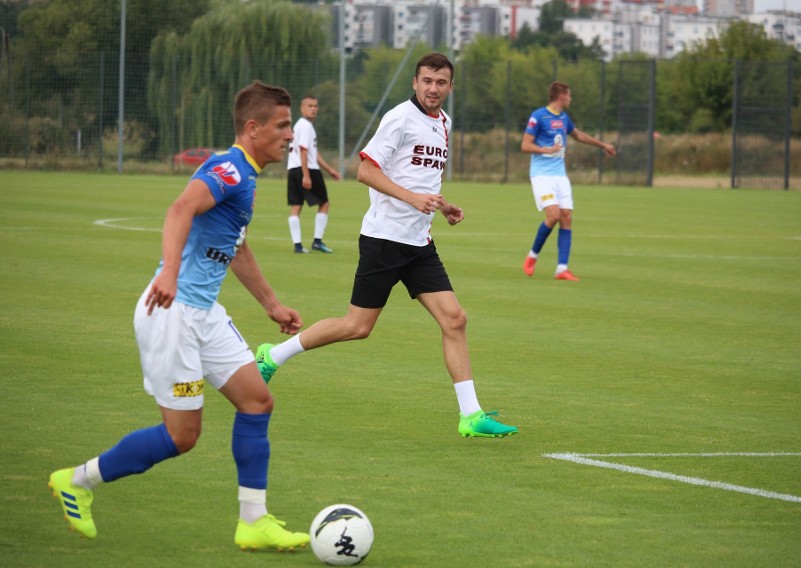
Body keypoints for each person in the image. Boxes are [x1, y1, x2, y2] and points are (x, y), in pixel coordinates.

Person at [49, 80, 311, 552]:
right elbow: (179, 209)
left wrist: (271, 304)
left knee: (257, 401)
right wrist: (168, 273)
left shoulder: (245, 176)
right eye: (282, 125)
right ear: (253, 128)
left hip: (204, 313)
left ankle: (253, 521)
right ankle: (77, 480)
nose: (290, 135)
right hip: (172, 313)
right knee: (182, 436)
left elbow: (235, 244)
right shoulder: (229, 169)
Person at [255, 52, 517, 439]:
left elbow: (420, 176)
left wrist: (442, 206)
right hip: (384, 240)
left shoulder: (444, 123)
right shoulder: (398, 118)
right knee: (357, 327)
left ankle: (471, 416)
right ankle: (272, 355)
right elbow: (364, 170)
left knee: (455, 319)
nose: (433, 88)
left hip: (419, 242)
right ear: (415, 82)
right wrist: (412, 199)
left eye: (441, 82)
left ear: (450, 86)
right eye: (426, 80)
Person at [520, 81, 616, 281]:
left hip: (560, 176)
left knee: (566, 217)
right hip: (542, 175)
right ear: (561, 96)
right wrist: (546, 150)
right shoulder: (538, 116)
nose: (571, 99)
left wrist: (603, 145)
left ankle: (561, 269)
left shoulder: (564, 118)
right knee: (553, 215)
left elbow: (578, 135)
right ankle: (532, 257)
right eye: (569, 95)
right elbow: (525, 145)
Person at [287, 95, 341, 254]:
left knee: (296, 206)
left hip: (293, 169)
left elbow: (311, 152)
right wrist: (306, 175)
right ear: (302, 108)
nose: (313, 109)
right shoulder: (306, 126)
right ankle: (317, 241)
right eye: (310, 106)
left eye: (315, 106)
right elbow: (304, 150)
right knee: (324, 203)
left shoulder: (298, 126)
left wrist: (330, 170)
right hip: (307, 169)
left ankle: (297, 245)